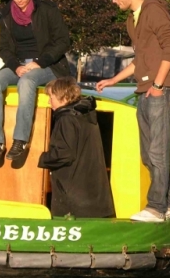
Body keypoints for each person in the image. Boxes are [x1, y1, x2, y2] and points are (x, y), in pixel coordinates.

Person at [96, 0, 170, 222]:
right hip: (145, 90)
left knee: (157, 151)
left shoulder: (153, 11)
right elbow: (139, 61)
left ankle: (156, 208)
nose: (113, 1)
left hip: (160, 90)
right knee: (148, 154)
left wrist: (158, 84)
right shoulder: (132, 21)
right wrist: (113, 79)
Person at [0, 0, 70, 162]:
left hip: (48, 64)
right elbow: (4, 48)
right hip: (18, 65)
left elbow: (63, 41)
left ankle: (20, 140)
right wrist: (15, 66)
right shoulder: (6, 13)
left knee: (27, 82)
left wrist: (39, 62)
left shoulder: (48, 10)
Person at [38, 77, 115, 218]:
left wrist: (40, 158)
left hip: (74, 202)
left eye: (51, 97)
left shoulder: (66, 119)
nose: (49, 101)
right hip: (93, 199)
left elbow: (64, 154)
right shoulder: (85, 115)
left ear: (64, 97)